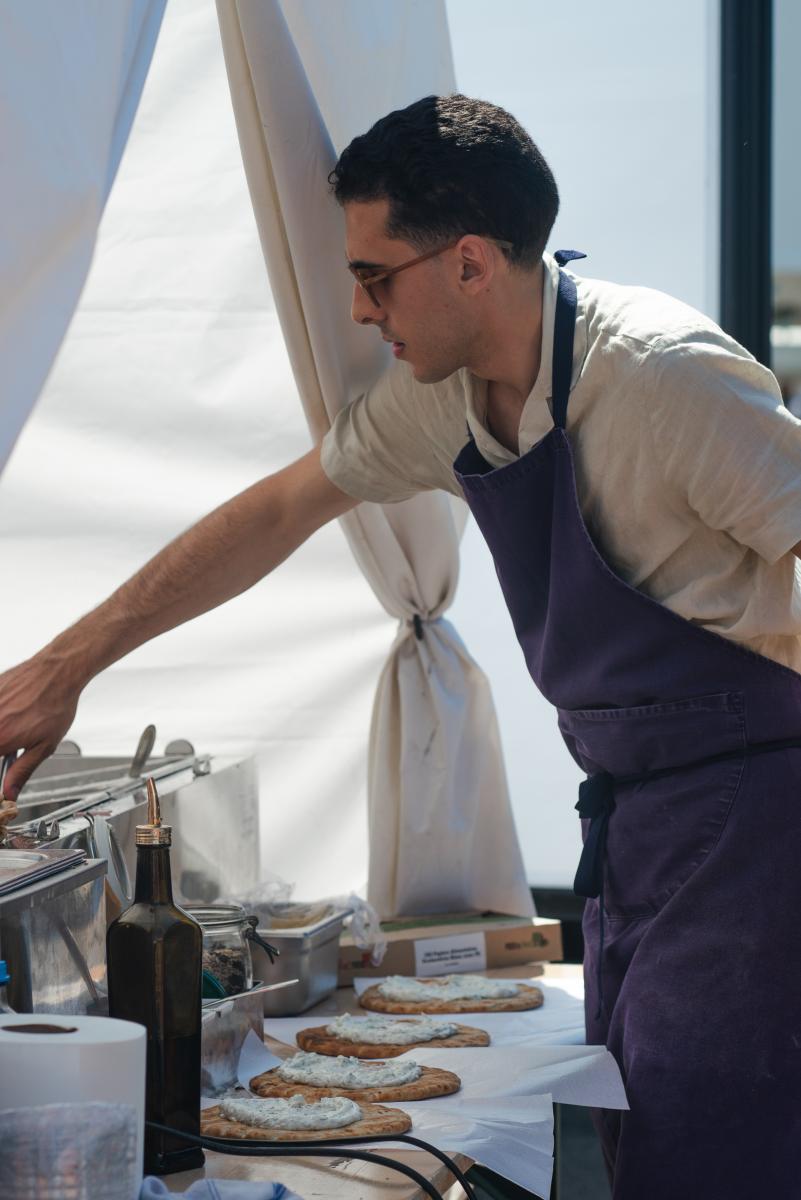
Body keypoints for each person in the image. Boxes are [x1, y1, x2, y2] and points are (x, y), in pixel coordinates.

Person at [2, 93, 801, 1196]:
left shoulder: (664, 374)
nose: (360, 308)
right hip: (636, 827)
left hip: (760, 825)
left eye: (376, 276)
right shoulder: (446, 400)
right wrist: (68, 666)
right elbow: (277, 513)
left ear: (469, 262)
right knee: (646, 1138)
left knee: (710, 1154)